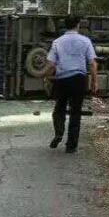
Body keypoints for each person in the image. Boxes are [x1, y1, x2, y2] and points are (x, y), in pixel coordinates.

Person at [46, 16, 98, 153]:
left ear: (65, 25)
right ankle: (71, 146)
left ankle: (59, 132)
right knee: (75, 112)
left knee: (59, 108)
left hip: (61, 79)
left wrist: (48, 78)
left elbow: (51, 64)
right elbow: (92, 63)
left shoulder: (57, 42)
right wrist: (94, 81)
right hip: (78, 79)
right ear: (78, 25)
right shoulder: (85, 41)